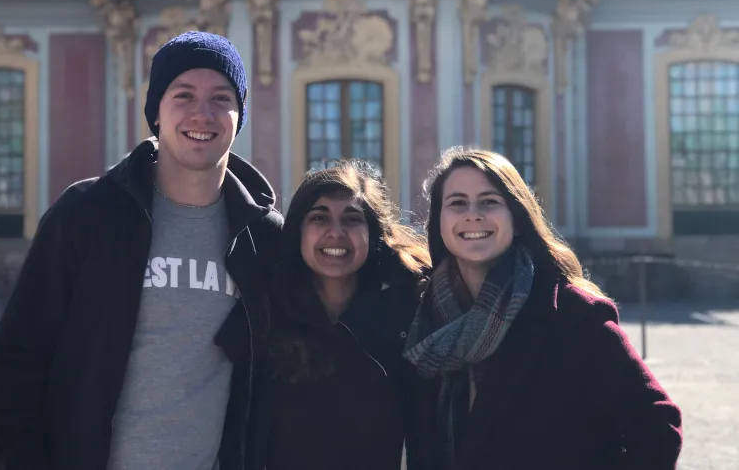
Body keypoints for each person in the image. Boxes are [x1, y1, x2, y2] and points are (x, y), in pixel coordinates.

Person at [0, 31, 283, 470]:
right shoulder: (87, 214)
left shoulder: (263, 237)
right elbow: (14, 363)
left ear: (240, 114)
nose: (203, 112)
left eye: (221, 98)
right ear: (155, 110)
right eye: (183, 95)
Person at [403, 147, 683, 470]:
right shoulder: (421, 319)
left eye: (489, 202)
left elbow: (658, 426)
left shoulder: (575, 315)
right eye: (457, 203)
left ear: (518, 218)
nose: (473, 214)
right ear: (439, 222)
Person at [243, 160, 431, 470]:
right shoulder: (265, 316)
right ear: (298, 232)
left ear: (373, 234)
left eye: (352, 219)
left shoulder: (407, 314)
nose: (336, 232)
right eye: (319, 217)